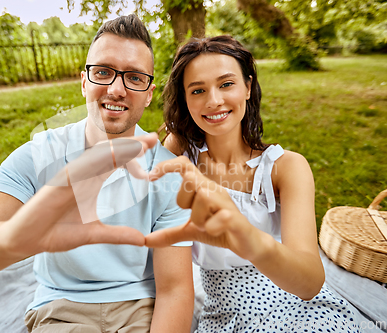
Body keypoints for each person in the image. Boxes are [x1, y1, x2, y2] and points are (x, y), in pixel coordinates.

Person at [0, 15, 194, 333]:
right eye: (103, 72)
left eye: (135, 78)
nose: (116, 89)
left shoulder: (168, 173)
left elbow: (175, 290)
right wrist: (8, 241)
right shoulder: (40, 155)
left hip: (141, 306)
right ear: (84, 81)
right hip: (62, 310)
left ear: (149, 92)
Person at [145, 35, 363, 332]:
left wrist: (248, 237)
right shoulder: (181, 158)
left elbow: (310, 282)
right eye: (197, 90)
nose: (213, 101)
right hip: (223, 315)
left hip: (298, 307)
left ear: (248, 87)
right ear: (185, 99)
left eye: (226, 84)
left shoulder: (285, 168)